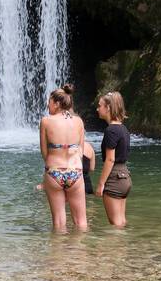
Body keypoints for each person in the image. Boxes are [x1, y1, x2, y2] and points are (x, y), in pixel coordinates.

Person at [38, 84, 87, 233]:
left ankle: (59, 255)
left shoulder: (46, 121)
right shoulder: (79, 121)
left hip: (54, 171)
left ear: (58, 104)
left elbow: (44, 152)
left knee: (59, 222)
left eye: (50, 102)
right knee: (81, 221)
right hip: (75, 171)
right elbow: (80, 150)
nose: (48, 105)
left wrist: (52, 166)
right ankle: (81, 254)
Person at [95, 92, 132, 227]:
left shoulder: (111, 130)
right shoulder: (123, 129)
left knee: (115, 224)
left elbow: (110, 160)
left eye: (100, 106)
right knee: (121, 222)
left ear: (108, 107)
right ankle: (122, 248)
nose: (97, 109)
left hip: (114, 178)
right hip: (125, 177)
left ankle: (115, 248)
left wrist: (101, 184)